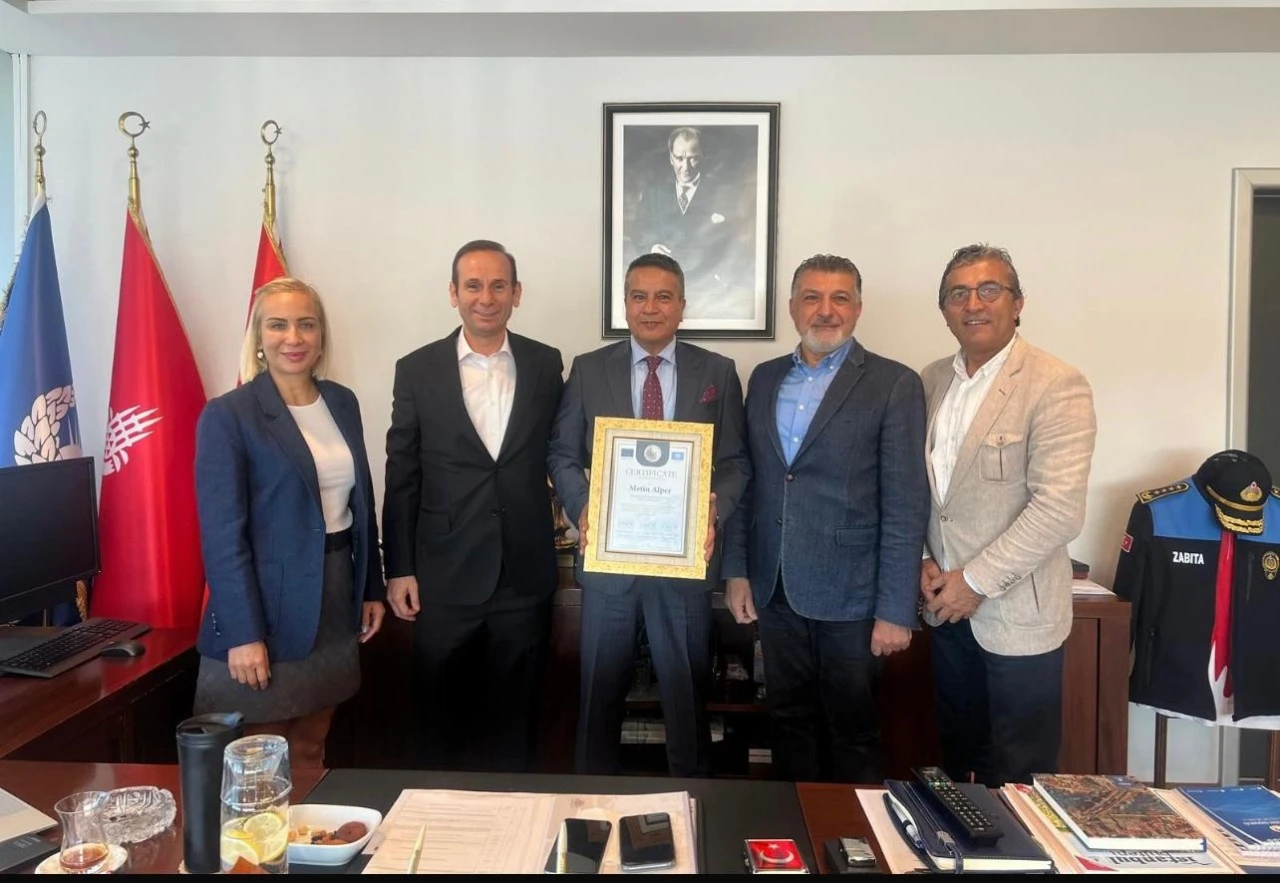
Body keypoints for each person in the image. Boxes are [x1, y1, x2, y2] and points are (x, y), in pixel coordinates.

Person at [721, 253, 929, 784]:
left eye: (840, 298)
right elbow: (750, 483)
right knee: (787, 721)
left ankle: (851, 832)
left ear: (858, 308)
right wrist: (737, 570)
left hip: (853, 596)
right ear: (793, 307)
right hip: (775, 588)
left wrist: (896, 609)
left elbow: (906, 504)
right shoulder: (764, 379)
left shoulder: (894, 383)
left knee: (853, 731)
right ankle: (796, 824)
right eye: (812, 297)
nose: (826, 310)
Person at [547, 252, 750, 777]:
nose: (651, 308)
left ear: (682, 305)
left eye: (663, 297)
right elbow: (562, 454)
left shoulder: (718, 372)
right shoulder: (588, 369)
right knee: (597, 706)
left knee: (687, 707)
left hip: (683, 569)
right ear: (625, 304)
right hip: (609, 567)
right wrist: (584, 507)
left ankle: (694, 804)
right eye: (639, 296)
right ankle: (591, 811)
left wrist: (713, 508)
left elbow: (735, 463)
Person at [383, 239, 564, 773]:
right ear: (453, 293)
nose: (486, 298)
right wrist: (399, 568)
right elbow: (402, 473)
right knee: (439, 725)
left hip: (524, 574)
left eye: (498, 285)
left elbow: (562, 452)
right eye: (474, 285)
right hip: (443, 575)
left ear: (517, 293)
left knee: (517, 725)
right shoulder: (416, 369)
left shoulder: (545, 363)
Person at [920, 243, 1097, 787]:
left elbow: (1058, 509)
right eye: (958, 293)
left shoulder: (1056, 383)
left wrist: (974, 581)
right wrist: (923, 558)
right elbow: (925, 493)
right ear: (944, 309)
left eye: (989, 290)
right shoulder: (931, 381)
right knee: (958, 763)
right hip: (945, 610)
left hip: (1018, 618)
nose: (973, 303)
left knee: (1021, 778)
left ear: (1017, 303)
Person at [193, 277, 386, 769]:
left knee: (312, 744)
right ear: (258, 337)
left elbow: (359, 503)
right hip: (266, 607)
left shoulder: (342, 402)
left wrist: (371, 588)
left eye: (306, 324)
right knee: (259, 758)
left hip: (335, 594)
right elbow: (222, 536)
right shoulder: (229, 415)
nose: (293, 338)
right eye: (278, 325)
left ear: (321, 335)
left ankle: (306, 824)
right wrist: (243, 632)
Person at [627, 126, 756, 322]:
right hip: (662, 288)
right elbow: (639, 230)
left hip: (710, 289)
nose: (685, 167)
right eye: (679, 158)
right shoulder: (654, 193)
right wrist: (652, 247)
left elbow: (735, 243)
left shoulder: (721, 193)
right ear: (671, 158)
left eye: (692, 158)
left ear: (702, 156)